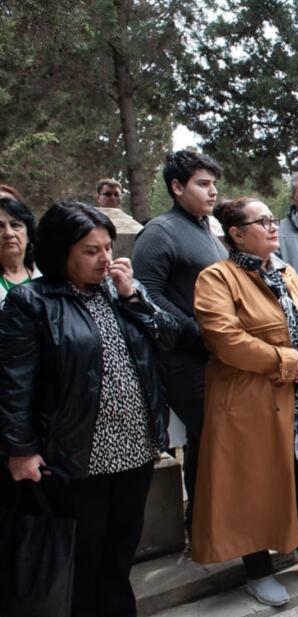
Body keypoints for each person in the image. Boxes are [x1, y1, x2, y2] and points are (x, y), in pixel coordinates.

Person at [0, 201, 179, 616]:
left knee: (120, 551)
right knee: (82, 556)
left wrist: (134, 296)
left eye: (107, 248)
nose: (104, 259)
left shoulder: (119, 292)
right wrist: (21, 450)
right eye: (90, 251)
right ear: (61, 251)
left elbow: (170, 338)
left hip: (134, 449)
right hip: (77, 457)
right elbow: (13, 384)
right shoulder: (31, 301)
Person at [191, 197, 298, 607]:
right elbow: (226, 340)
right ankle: (257, 570)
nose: (273, 226)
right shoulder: (217, 278)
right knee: (252, 483)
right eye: (262, 222)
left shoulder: (286, 272)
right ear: (237, 235)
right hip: (248, 401)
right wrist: (292, 362)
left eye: (273, 219)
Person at [132, 150, 228, 530]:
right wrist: (194, 331)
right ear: (176, 186)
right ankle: (205, 523)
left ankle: (206, 521)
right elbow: (146, 294)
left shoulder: (208, 230)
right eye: (203, 184)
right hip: (184, 361)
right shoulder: (160, 232)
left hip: (217, 357)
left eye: (214, 183)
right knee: (213, 438)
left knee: (209, 443)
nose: (213, 191)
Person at [0, 197, 41, 306]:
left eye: (15, 225)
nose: (8, 233)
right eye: (0, 226)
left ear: (28, 236)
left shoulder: (47, 278)